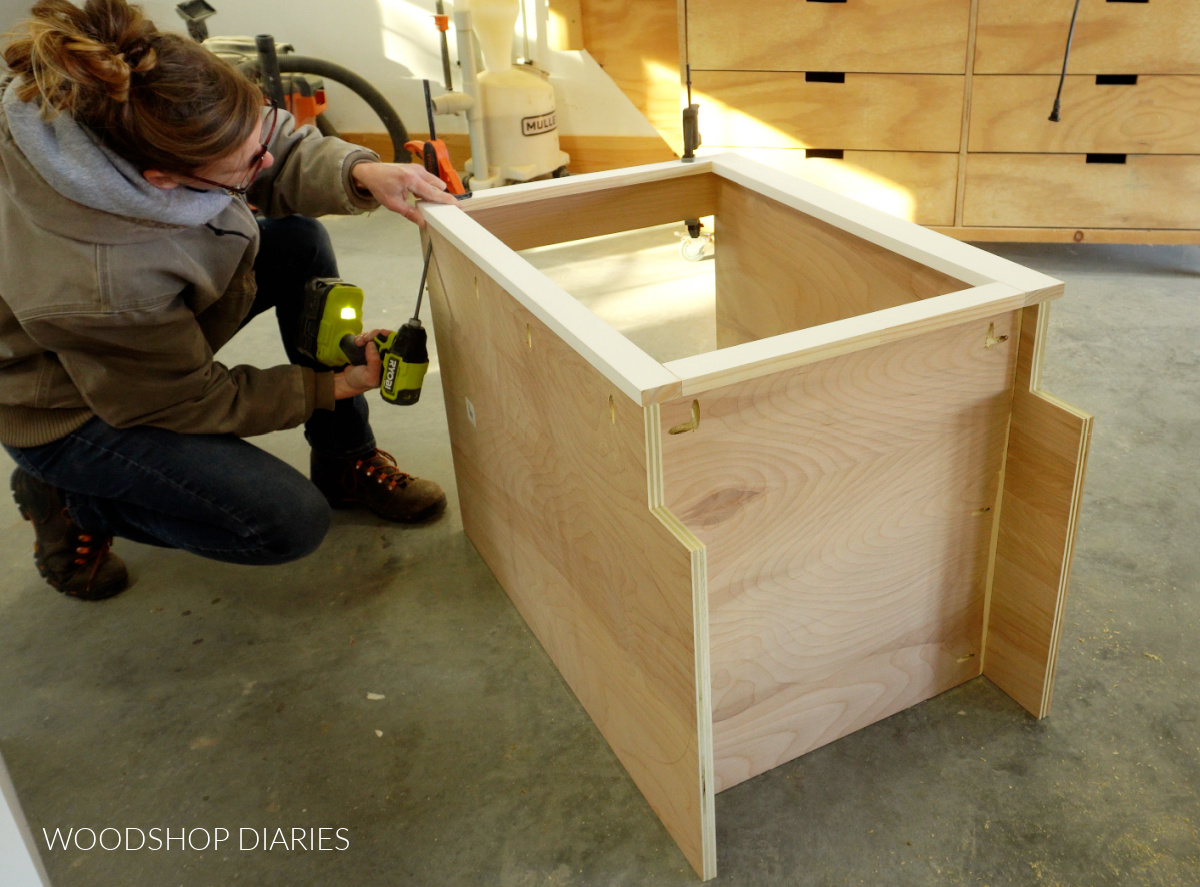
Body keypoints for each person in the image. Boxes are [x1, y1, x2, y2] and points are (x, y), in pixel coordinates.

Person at [0, 0, 460, 601]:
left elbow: (267, 144)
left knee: (297, 242)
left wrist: (358, 171)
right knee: (282, 523)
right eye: (247, 167)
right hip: (72, 402)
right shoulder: (99, 284)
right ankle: (73, 500)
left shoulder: (140, 93)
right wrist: (332, 386)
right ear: (162, 182)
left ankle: (346, 461)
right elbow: (183, 400)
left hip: (140, 336)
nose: (266, 161)